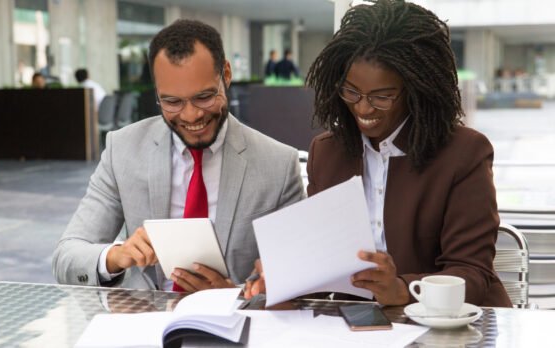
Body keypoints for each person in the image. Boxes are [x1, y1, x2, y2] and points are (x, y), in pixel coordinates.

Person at [246, 0, 511, 307]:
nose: (363, 108)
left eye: (382, 97)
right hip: (360, 326)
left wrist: (402, 289)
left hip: (450, 326)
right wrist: (285, 279)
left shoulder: (464, 153)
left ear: (416, 89)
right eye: (351, 92)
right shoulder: (327, 152)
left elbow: (473, 275)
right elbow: (325, 267)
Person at [53, 19, 305, 292]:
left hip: (235, 328)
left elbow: (296, 274)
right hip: (142, 325)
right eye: (172, 102)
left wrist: (233, 295)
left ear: (227, 75)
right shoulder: (123, 149)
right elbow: (66, 257)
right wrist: (115, 256)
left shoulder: (278, 165)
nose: (191, 115)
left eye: (204, 96)